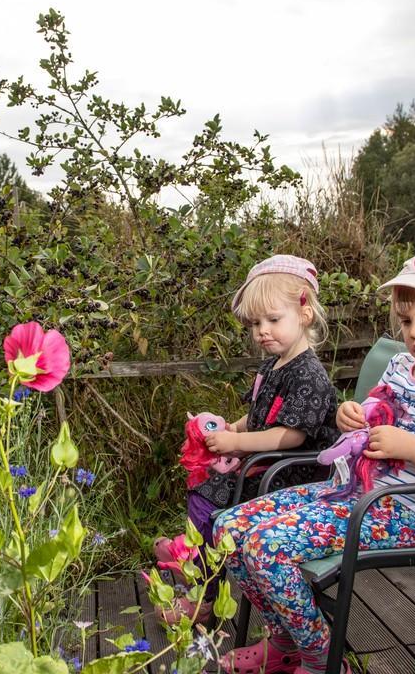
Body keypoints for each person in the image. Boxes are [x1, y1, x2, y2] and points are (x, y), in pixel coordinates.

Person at [211, 245, 415, 674]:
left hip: (404, 509)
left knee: (264, 547)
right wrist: (347, 415)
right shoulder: (401, 367)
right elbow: (368, 419)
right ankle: (286, 640)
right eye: (407, 321)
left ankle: (321, 655)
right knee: (228, 528)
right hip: (351, 490)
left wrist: (412, 449)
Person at [153, 255, 339, 623]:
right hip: (268, 464)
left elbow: (289, 435)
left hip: (295, 475)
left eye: (272, 320)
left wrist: (237, 444)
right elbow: (258, 414)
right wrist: (233, 428)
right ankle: (199, 554)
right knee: (205, 486)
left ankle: (203, 590)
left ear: (303, 314)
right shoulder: (274, 364)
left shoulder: (309, 375)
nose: (262, 331)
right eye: (255, 323)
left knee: (214, 497)